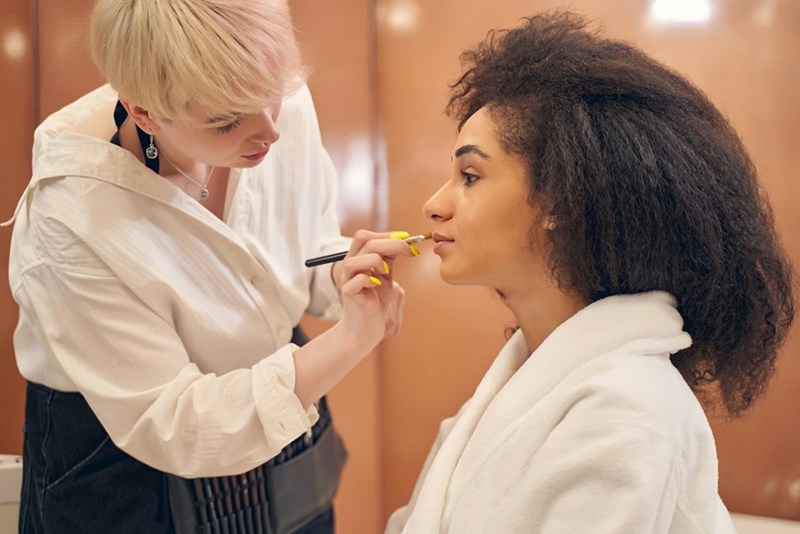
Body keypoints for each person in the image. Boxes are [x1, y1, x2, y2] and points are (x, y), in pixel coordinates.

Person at [4, 0, 418, 532]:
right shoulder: (74, 212)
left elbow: (298, 246)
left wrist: (339, 273)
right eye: (227, 122)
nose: (269, 132)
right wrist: (348, 343)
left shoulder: (273, 100)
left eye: (274, 96)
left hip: (275, 411)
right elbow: (171, 422)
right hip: (123, 458)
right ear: (144, 112)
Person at [386, 11, 794, 534]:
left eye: (470, 175)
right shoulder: (527, 379)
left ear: (561, 197)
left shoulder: (624, 413)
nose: (434, 205)